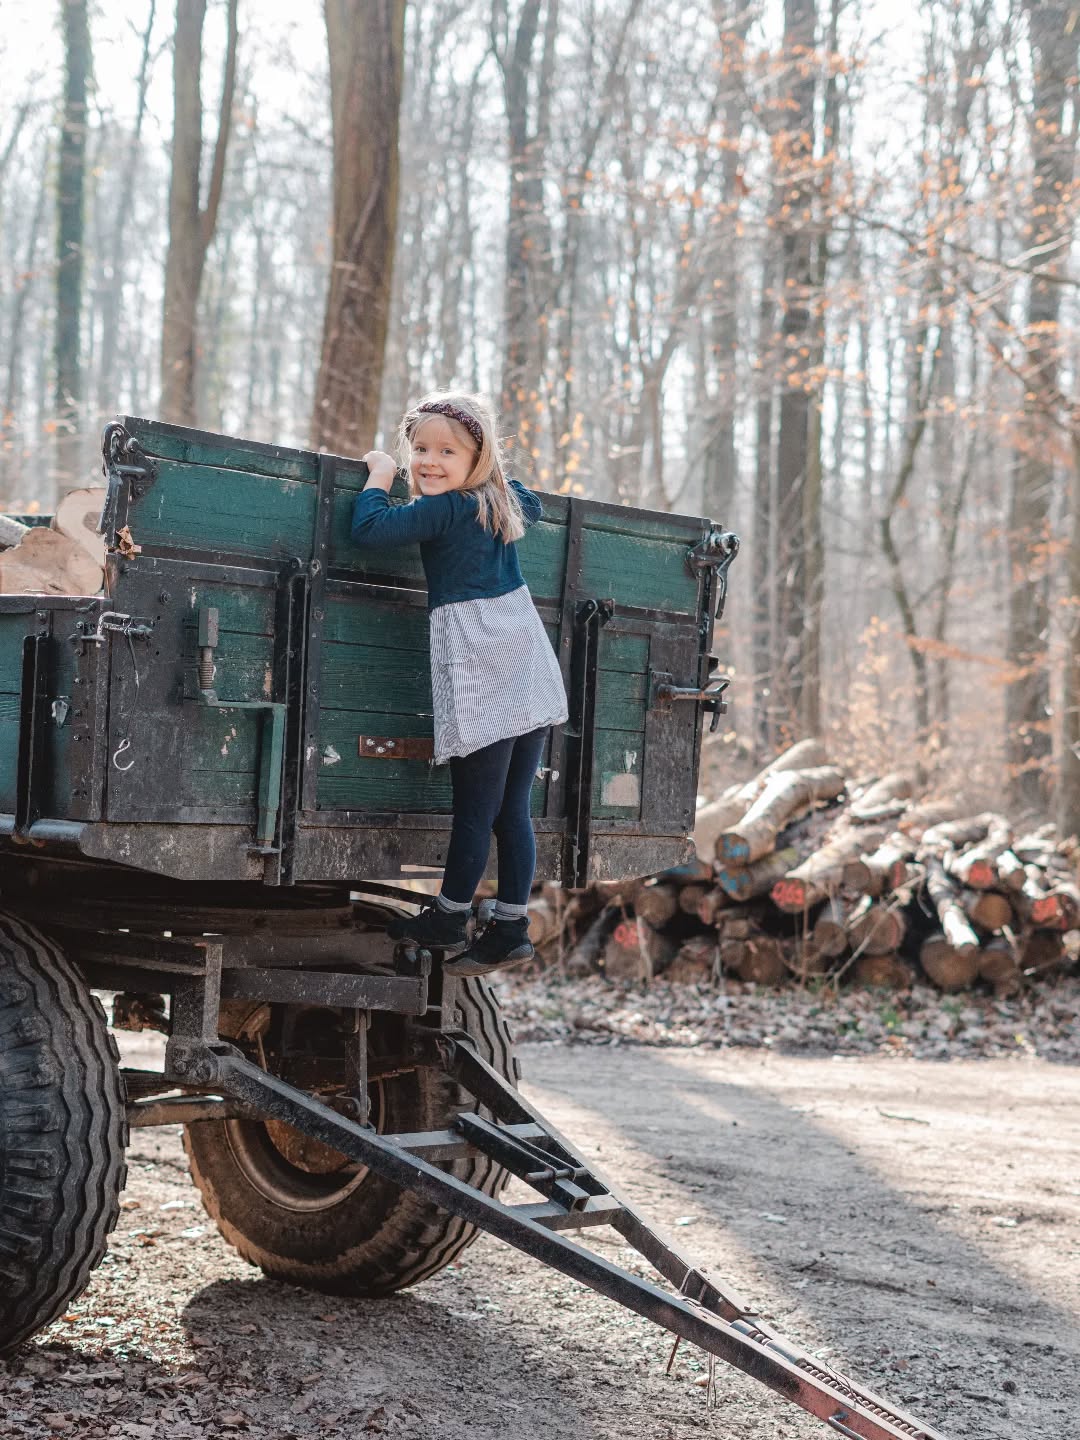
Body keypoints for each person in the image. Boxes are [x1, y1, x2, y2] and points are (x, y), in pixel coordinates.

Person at [351, 392, 568, 977]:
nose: (428, 461)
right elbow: (534, 499)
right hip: (525, 655)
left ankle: (449, 916)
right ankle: (510, 925)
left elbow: (369, 530)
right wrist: (488, 472)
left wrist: (379, 475)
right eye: (418, 448)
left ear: (477, 457)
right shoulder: (502, 500)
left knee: (476, 806)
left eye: (448, 451)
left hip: (482, 659)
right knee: (511, 809)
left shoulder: (444, 510)